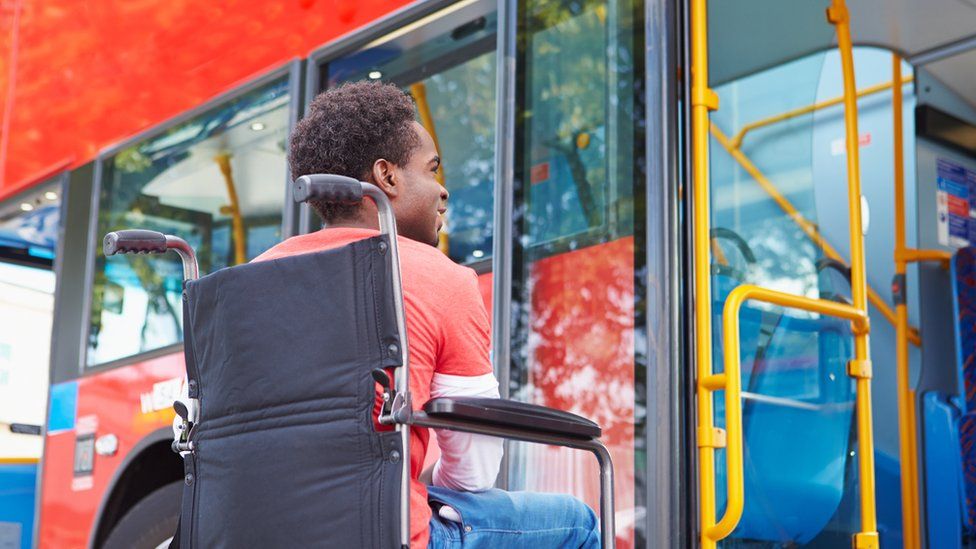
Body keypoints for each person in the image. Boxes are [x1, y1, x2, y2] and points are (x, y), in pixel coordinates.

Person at [262, 81, 600, 548]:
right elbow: (475, 472)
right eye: (432, 169)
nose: (443, 192)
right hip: (386, 536)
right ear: (388, 176)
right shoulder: (437, 275)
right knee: (577, 522)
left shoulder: (249, 278)